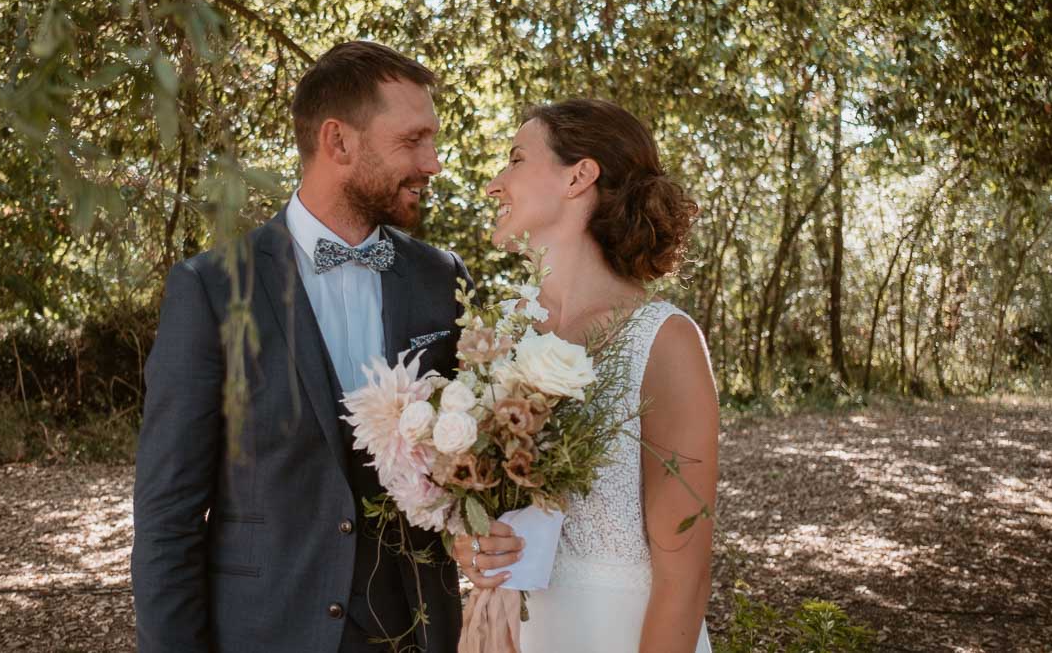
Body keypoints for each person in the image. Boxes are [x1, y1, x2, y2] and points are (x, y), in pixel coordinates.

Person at [132, 41, 470, 653]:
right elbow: (167, 520)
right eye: (413, 140)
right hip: (270, 630)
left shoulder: (443, 279)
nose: (434, 163)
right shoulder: (210, 290)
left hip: (420, 632)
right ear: (338, 142)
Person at [452, 98, 717, 653]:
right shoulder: (496, 338)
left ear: (579, 176)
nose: (494, 185)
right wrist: (473, 543)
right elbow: (484, 513)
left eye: (516, 159)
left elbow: (685, 577)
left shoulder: (663, 341)